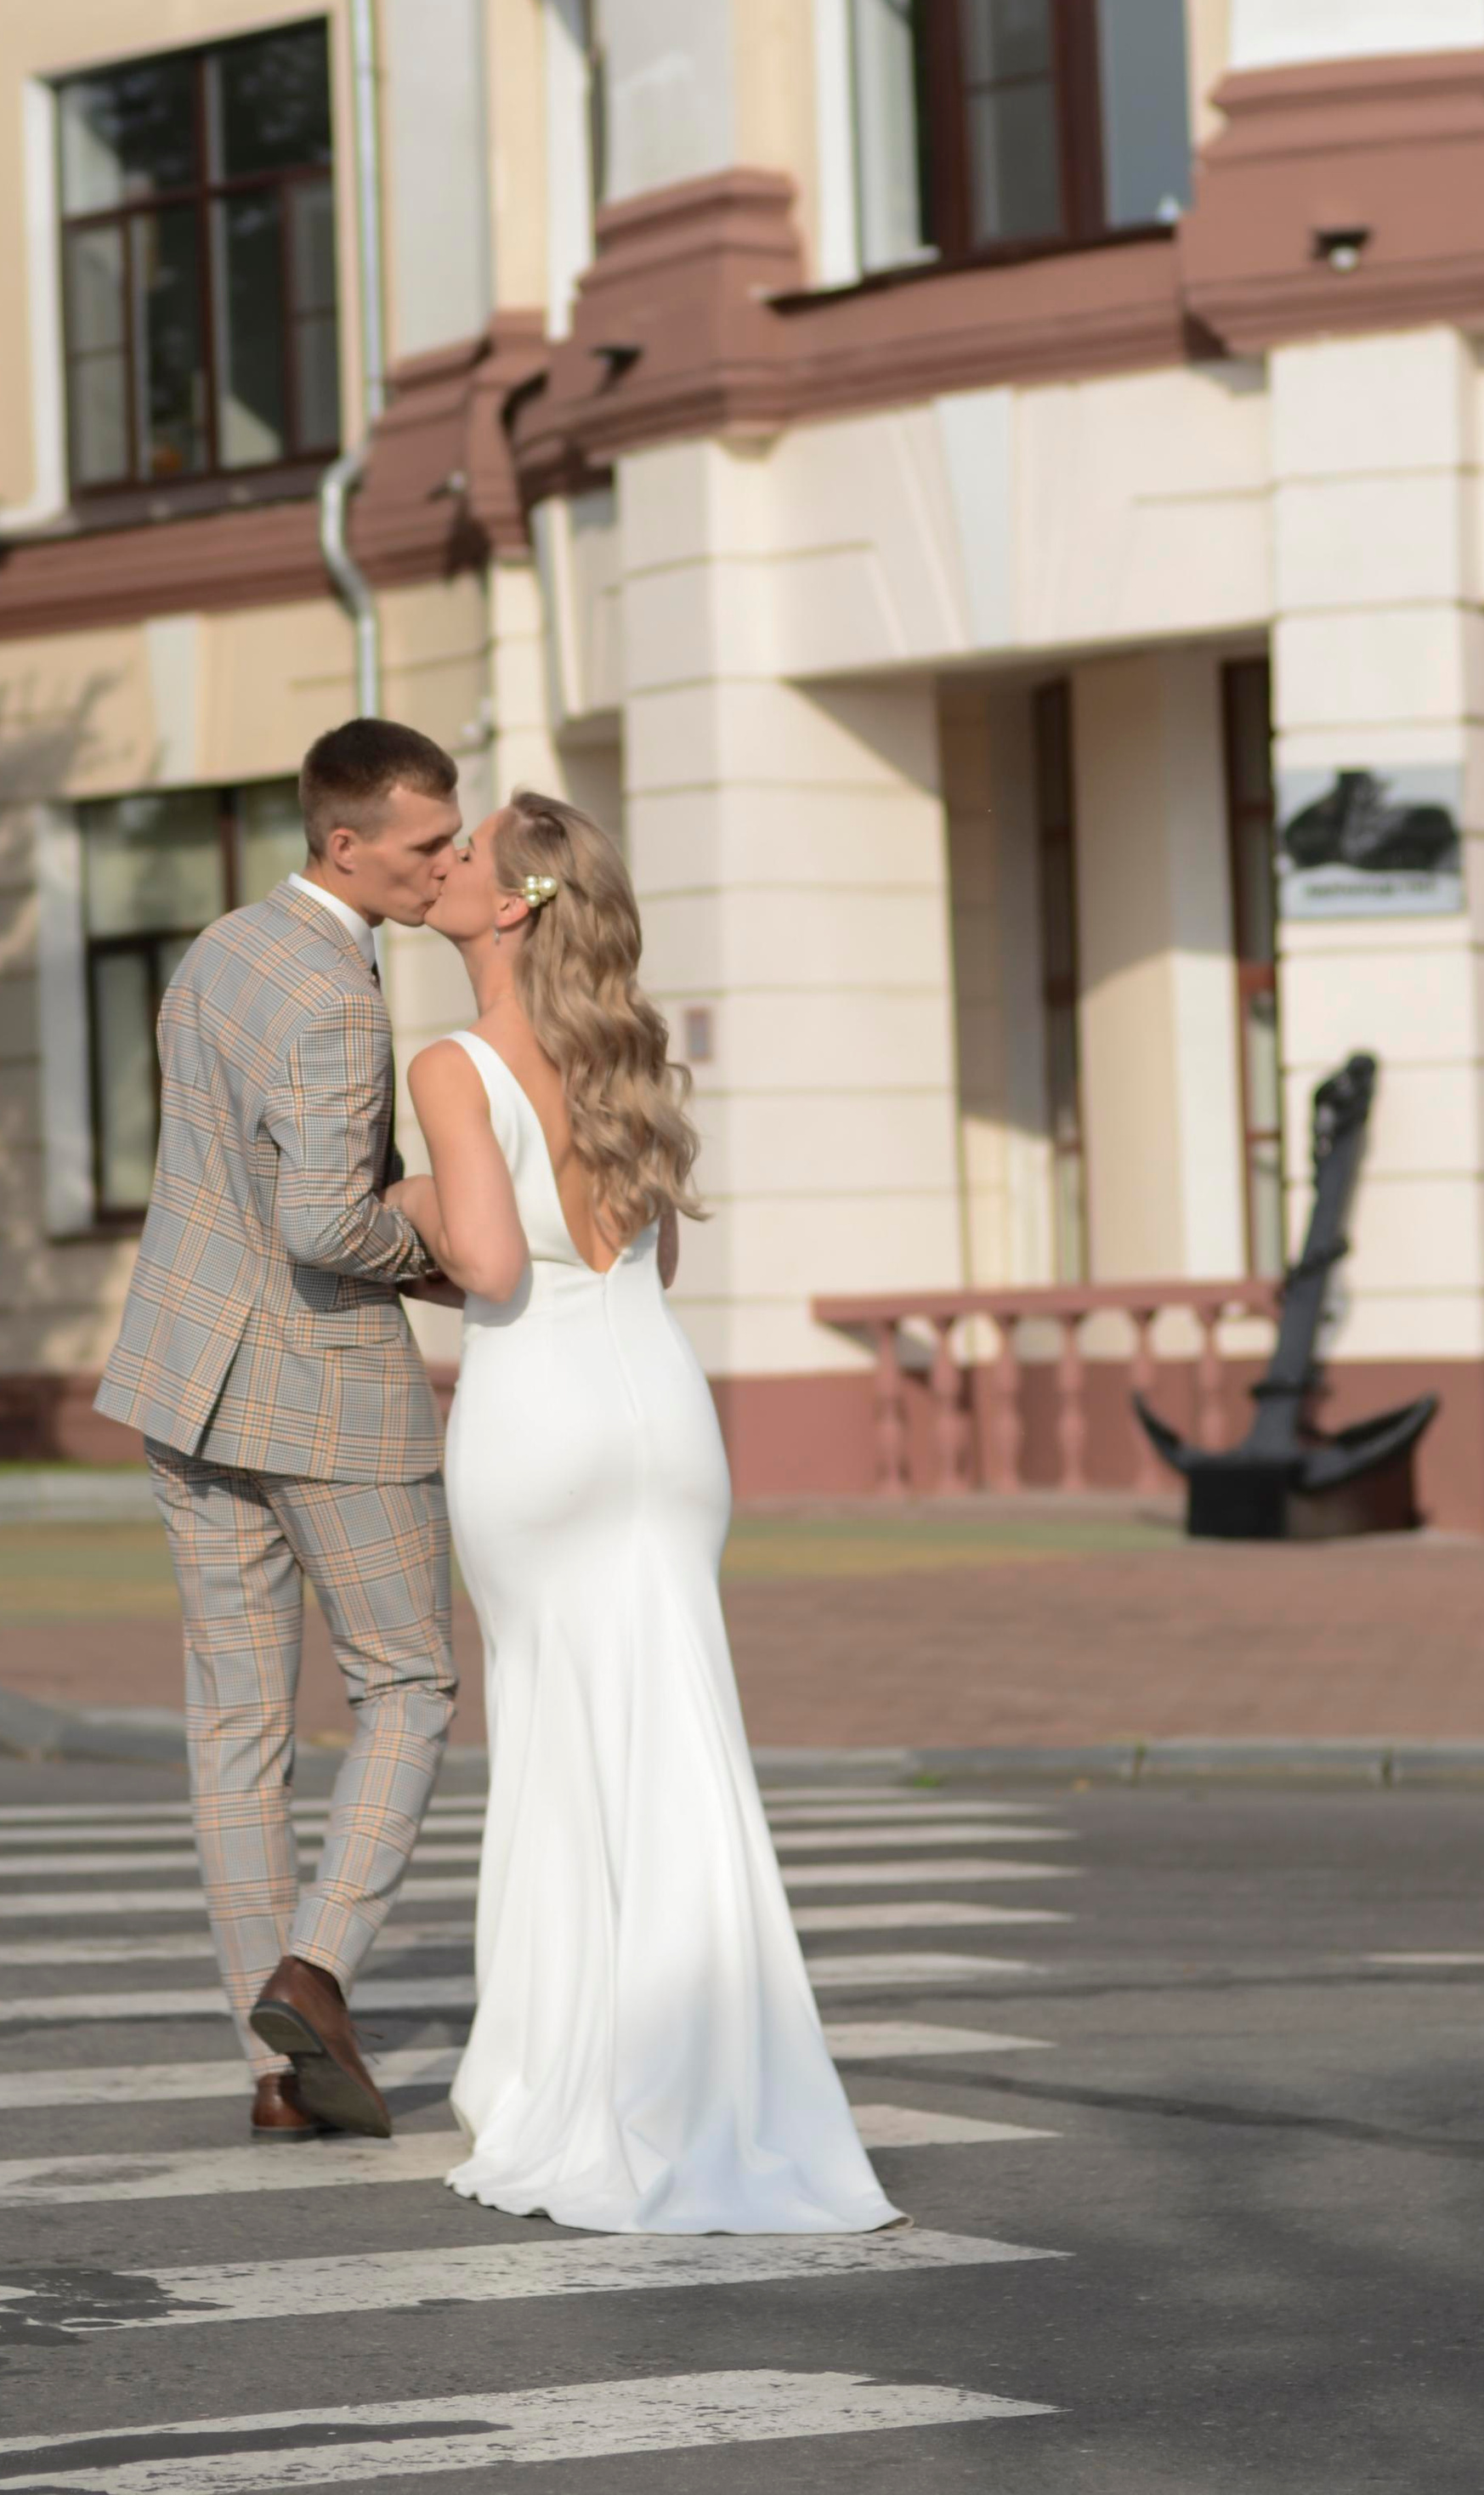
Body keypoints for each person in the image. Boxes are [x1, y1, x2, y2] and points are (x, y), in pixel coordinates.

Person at [388, 790, 902, 2235]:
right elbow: (647, 1260)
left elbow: (489, 1262)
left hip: (539, 1419)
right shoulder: (619, 1052)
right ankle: (712, 2072)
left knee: (558, 1743)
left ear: (507, 906)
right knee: (679, 1742)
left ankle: (572, 2075)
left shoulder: (452, 1062)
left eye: (464, 852)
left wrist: (402, 1199)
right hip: (664, 1418)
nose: (442, 863)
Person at [96, 717, 465, 2143]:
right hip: (320, 1388)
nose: (443, 862)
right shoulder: (336, 994)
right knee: (410, 1685)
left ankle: (271, 2066)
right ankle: (313, 1974)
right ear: (345, 842)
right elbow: (321, 1218)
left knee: (239, 1724)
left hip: (183, 1376)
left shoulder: (216, 949)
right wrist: (426, 1242)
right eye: (426, 843)